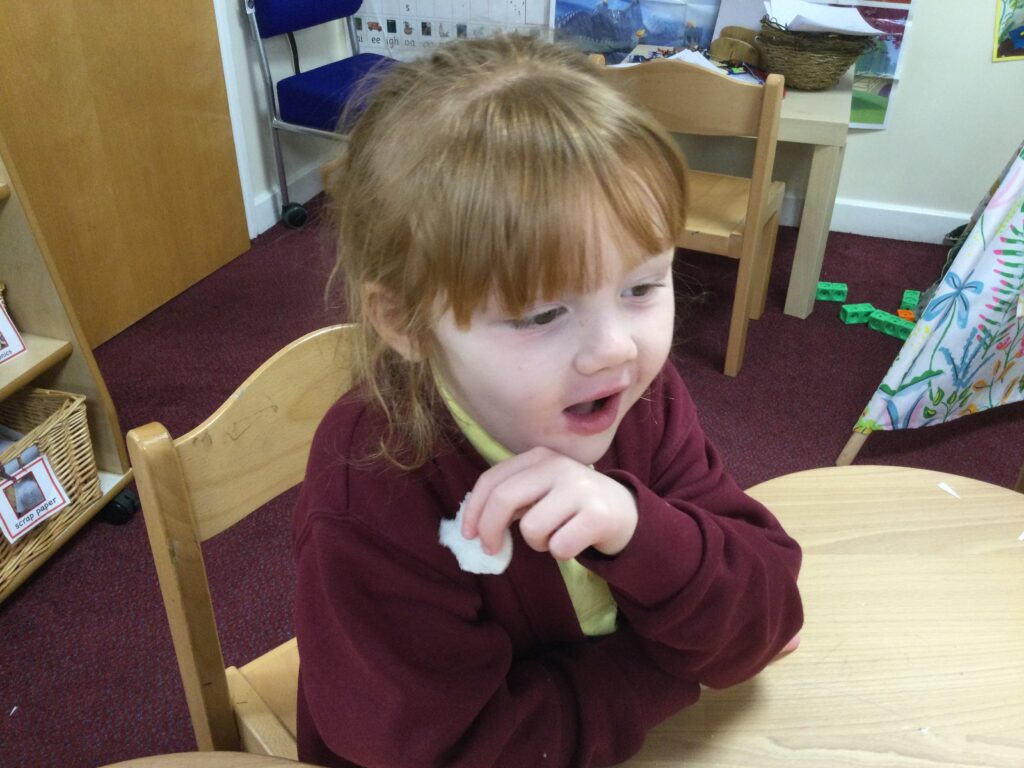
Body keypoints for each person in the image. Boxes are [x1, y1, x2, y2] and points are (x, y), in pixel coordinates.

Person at [294, 33, 803, 768]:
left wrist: (638, 529)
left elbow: (767, 609)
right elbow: (449, 750)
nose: (614, 349)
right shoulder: (371, 484)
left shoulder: (639, 399)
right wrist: (668, 671)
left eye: (641, 287)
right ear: (405, 321)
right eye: (541, 315)